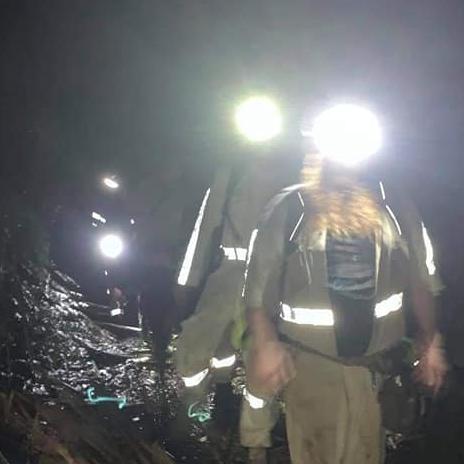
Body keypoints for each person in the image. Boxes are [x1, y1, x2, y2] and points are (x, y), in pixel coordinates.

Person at [243, 145, 447, 463]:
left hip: (375, 372)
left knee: (367, 454)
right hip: (310, 369)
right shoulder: (290, 208)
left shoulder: (394, 204)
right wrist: (267, 343)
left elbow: (422, 279)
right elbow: (256, 292)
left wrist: (432, 342)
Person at [173, 152, 299, 463]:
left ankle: (256, 444)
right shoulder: (231, 172)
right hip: (229, 272)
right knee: (196, 342)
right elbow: (203, 229)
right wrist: (186, 282)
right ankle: (195, 408)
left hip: (270, 280)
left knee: (260, 357)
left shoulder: (296, 178)